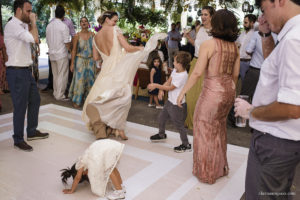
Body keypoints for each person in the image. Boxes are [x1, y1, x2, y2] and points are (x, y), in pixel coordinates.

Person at [234, 0, 300, 198]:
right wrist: (265, 35)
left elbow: (293, 107)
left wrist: (250, 111)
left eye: (264, 10)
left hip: (275, 139)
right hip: (282, 139)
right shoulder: (290, 35)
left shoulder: (293, 39)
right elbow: (276, 66)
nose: (263, 17)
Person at [81, 11, 166, 140]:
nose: (116, 23)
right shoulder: (115, 30)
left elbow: (95, 57)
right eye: (114, 20)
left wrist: (105, 58)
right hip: (119, 67)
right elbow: (127, 47)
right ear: (107, 19)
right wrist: (139, 48)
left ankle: (108, 126)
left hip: (106, 69)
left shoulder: (95, 37)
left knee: (107, 96)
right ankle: (116, 127)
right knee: (122, 97)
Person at [177, 9, 240, 184]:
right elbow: (235, 75)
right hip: (228, 92)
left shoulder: (209, 44)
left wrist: (183, 92)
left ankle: (206, 172)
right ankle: (220, 168)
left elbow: (197, 73)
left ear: (216, 24)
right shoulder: (235, 47)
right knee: (219, 129)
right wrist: (231, 92)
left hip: (212, 92)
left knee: (203, 129)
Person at [4, 0, 49, 152]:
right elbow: (35, 39)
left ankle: (31, 131)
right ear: (18, 10)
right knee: (20, 107)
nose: (30, 14)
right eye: (28, 11)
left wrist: (30, 23)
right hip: (16, 71)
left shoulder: (21, 25)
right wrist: (34, 23)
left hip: (25, 70)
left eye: (31, 11)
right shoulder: (12, 25)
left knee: (35, 99)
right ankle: (18, 139)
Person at [148, 51, 192, 153]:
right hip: (170, 101)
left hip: (177, 104)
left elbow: (171, 88)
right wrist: (160, 90)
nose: (173, 63)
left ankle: (186, 145)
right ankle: (161, 135)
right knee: (161, 118)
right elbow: (168, 82)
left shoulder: (183, 76)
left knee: (179, 125)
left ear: (180, 64)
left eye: (175, 61)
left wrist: (156, 85)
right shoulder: (175, 71)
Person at [61, 139, 126, 200]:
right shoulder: (87, 159)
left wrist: (72, 190)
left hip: (108, 149)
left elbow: (77, 177)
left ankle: (119, 192)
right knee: (113, 168)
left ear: (83, 173)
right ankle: (120, 186)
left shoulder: (80, 164)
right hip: (112, 145)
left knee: (110, 170)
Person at [183, 6, 215, 129]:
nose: (203, 17)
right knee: (190, 94)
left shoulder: (216, 31)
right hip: (195, 61)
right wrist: (189, 38)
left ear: (212, 16)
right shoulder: (199, 28)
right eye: (202, 14)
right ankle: (190, 120)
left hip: (207, 64)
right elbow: (196, 45)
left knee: (203, 95)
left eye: (206, 14)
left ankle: (201, 123)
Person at [68, 17, 96, 108]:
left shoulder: (93, 35)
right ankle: (77, 100)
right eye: (82, 21)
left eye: (85, 21)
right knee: (79, 81)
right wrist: (72, 63)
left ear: (88, 23)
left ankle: (89, 101)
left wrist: (98, 61)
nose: (84, 23)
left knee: (91, 81)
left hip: (91, 60)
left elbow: (96, 49)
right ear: (80, 24)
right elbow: (73, 50)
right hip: (79, 61)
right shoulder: (77, 36)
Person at [46, 5, 71, 101]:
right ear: (63, 15)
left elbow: (47, 41)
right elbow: (66, 42)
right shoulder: (63, 26)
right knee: (62, 75)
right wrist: (71, 51)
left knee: (55, 75)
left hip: (52, 54)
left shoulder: (49, 25)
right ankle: (60, 95)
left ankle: (56, 93)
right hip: (61, 54)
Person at [236, 14, 257, 81]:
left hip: (247, 63)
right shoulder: (242, 33)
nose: (244, 24)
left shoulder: (255, 35)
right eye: (243, 22)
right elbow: (237, 43)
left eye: (246, 23)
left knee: (245, 84)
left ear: (252, 23)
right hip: (237, 61)